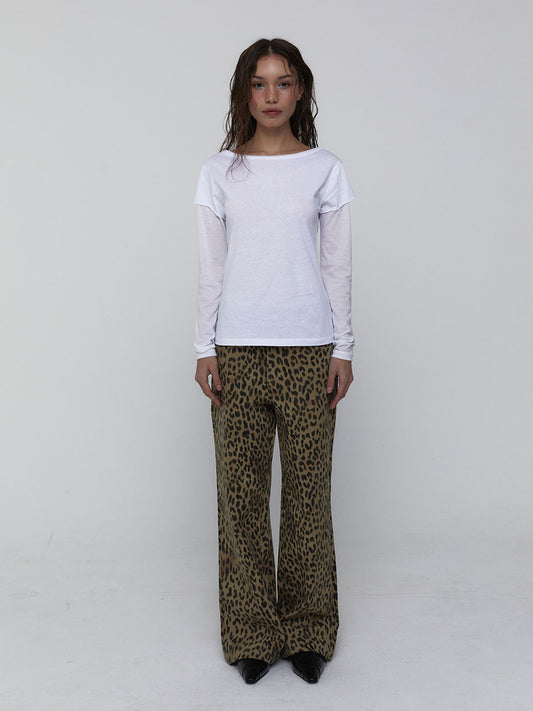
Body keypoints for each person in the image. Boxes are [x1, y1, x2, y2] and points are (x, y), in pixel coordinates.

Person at [193, 38, 355, 685]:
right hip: (235, 350)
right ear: (244, 92)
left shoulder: (324, 169)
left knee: (309, 496)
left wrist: (343, 347)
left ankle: (309, 630)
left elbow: (337, 264)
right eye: (258, 83)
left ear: (300, 91)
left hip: (309, 350)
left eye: (282, 82)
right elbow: (211, 269)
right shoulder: (218, 173)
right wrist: (203, 346)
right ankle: (253, 634)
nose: (270, 95)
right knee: (241, 497)